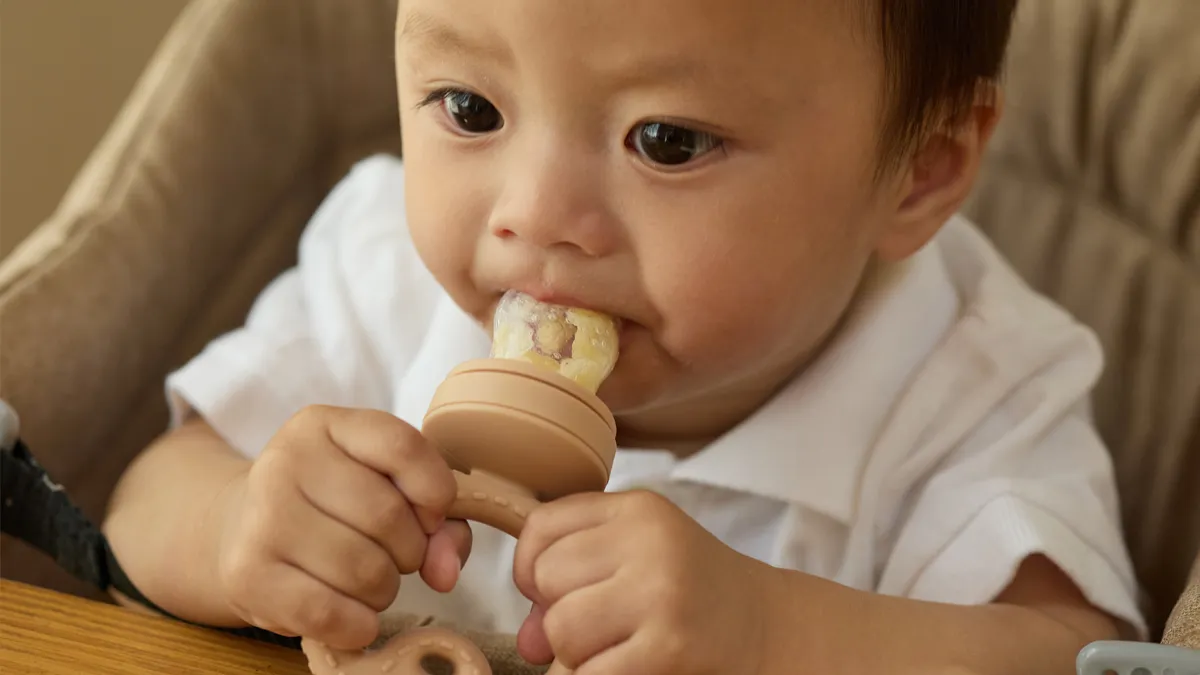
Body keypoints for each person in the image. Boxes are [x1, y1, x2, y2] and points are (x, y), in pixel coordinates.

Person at [102, 0, 1147, 672]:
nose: (536, 215)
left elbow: (1072, 654)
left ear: (919, 170)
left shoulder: (974, 379)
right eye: (469, 108)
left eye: (667, 141)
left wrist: (777, 634)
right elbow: (141, 501)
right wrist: (244, 527)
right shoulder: (378, 265)